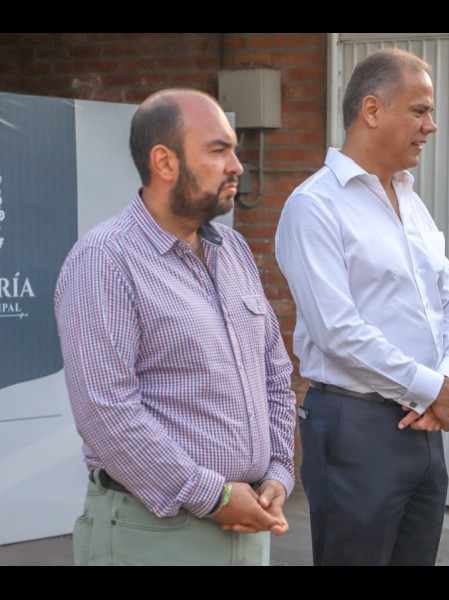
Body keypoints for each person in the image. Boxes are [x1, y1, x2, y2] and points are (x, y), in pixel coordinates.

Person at [54, 88, 297, 566]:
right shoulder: (105, 260)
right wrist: (213, 496)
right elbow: (106, 413)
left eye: (234, 150)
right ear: (164, 162)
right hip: (152, 533)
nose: (236, 166)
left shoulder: (233, 250)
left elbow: (274, 373)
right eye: (218, 150)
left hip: (250, 523)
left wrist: (278, 473)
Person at [274, 48, 449, 566]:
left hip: (423, 425)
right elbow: (337, 330)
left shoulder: (412, 202)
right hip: (355, 426)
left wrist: (446, 383)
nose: (431, 126)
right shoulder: (314, 206)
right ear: (372, 110)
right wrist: (432, 388)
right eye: (420, 110)